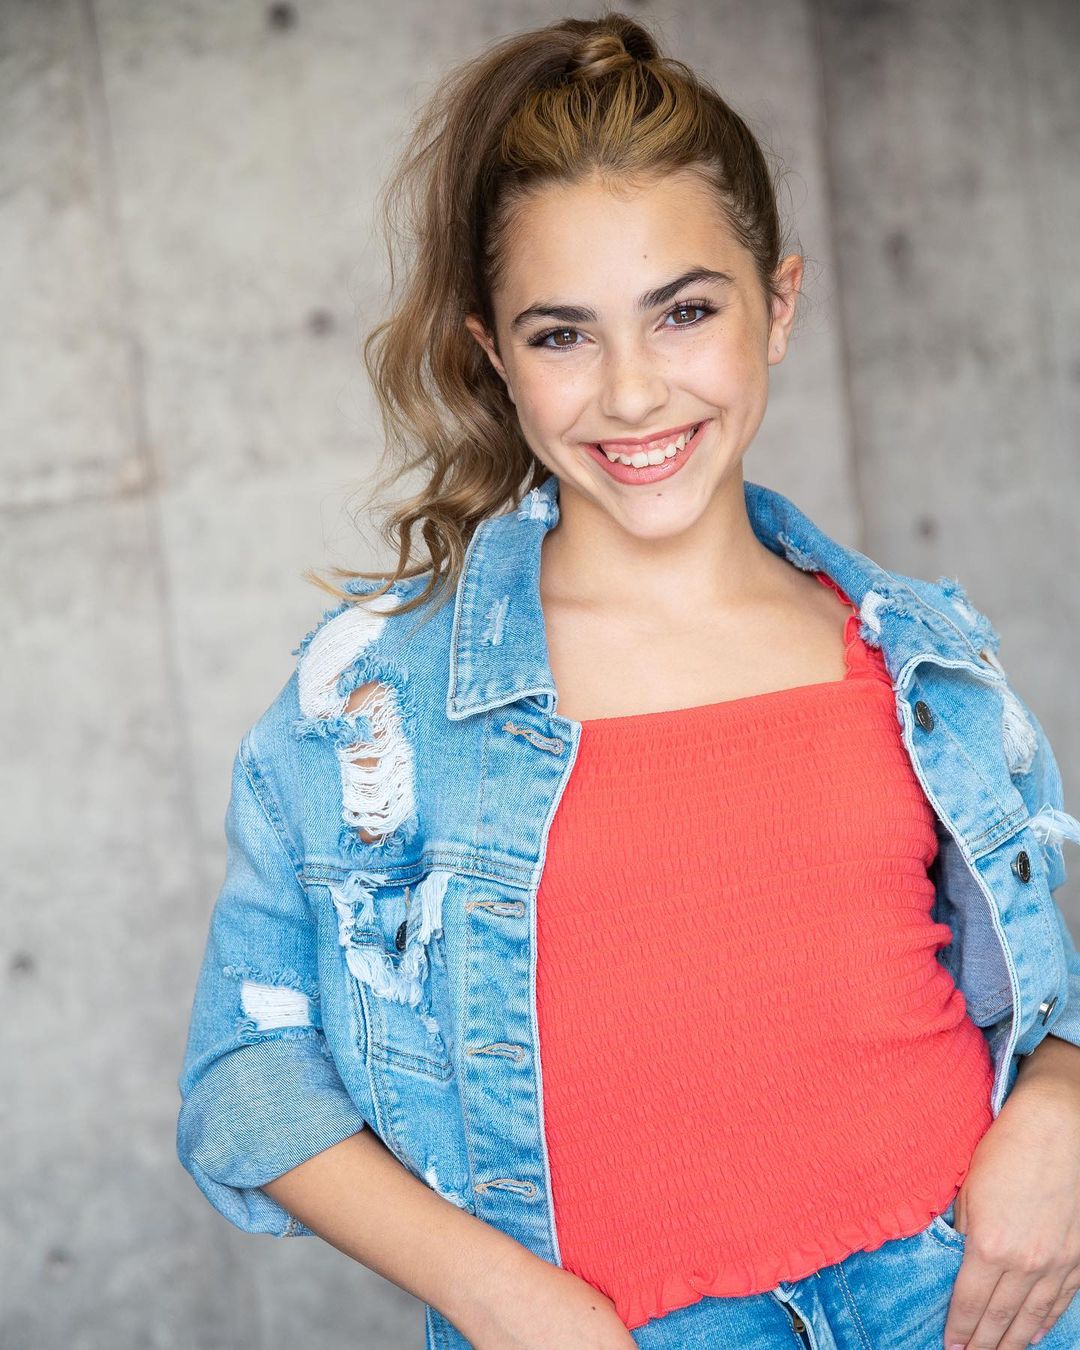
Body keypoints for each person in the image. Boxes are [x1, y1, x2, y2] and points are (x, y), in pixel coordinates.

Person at [176, 11, 1080, 1349]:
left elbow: (1040, 973)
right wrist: (500, 1299)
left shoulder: (922, 660)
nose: (635, 392)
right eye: (564, 335)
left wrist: (1063, 1101)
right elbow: (246, 1075)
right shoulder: (380, 708)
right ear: (494, 352)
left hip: (969, 1299)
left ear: (779, 305)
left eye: (685, 313)